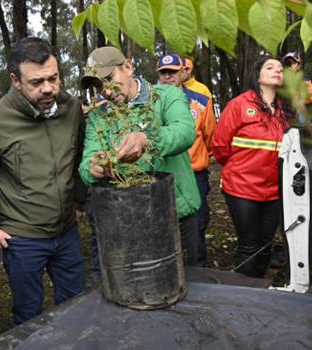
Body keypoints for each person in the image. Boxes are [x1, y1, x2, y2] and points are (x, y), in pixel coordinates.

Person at [0, 37, 86, 326]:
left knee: (77, 307)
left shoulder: (70, 109)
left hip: (67, 232)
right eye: (37, 82)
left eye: (54, 78)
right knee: (29, 315)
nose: (48, 88)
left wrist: (80, 200)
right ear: (16, 80)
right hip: (22, 240)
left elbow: (79, 156)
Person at [79, 46, 201, 266]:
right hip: (127, 217)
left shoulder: (166, 96)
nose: (105, 90)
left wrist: (147, 139)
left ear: (128, 66)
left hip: (176, 211)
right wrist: (93, 167)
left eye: (109, 78)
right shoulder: (99, 116)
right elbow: (88, 160)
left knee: (188, 281)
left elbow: (184, 131)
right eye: (98, 85)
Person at [212, 56, 295, 278]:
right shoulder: (239, 105)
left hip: (275, 191)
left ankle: (258, 291)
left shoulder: (285, 109)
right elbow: (220, 145)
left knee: (265, 246)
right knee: (249, 245)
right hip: (242, 189)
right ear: (257, 76)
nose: (277, 70)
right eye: (270, 67)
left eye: (280, 68)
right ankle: (241, 298)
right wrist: (239, 168)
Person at [157, 54, 217, 267]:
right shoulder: (147, 103)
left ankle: (197, 270)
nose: (167, 77)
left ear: (183, 72)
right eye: (163, 73)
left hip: (193, 174)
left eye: (172, 72)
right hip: (161, 176)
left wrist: (201, 156)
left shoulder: (200, 100)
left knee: (196, 225)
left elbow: (210, 135)